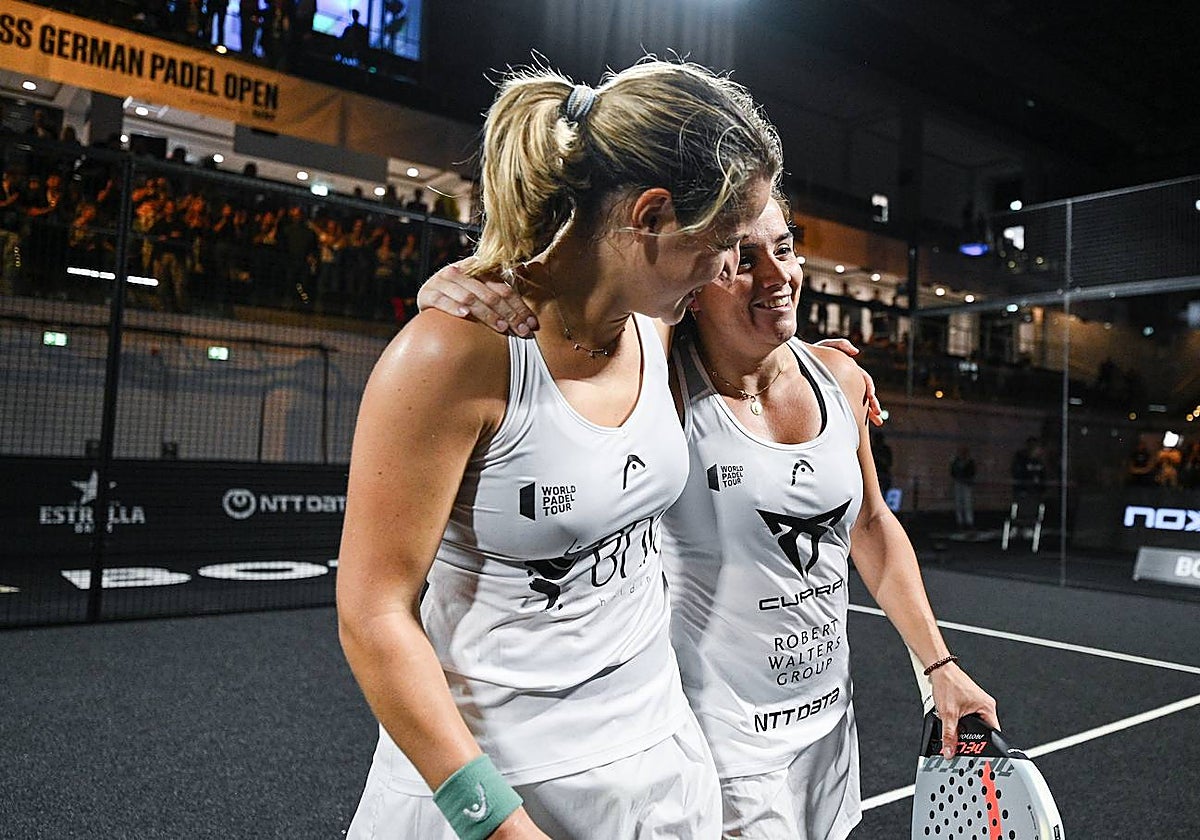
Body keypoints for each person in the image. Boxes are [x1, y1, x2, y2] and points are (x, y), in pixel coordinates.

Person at [420, 196, 997, 839]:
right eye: (740, 262)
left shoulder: (838, 377)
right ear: (694, 283)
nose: (776, 277)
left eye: (783, 249)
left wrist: (939, 667)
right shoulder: (657, 383)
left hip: (831, 732)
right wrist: (470, 285)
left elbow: (868, 526)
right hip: (720, 744)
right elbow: (574, 323)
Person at [337, 58, 784, 840]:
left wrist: (835, 364)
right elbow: (372, 615)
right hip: (496, 790)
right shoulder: (449, 357)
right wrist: (495, 824)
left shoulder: (663, 318)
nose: (728, 270)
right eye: (723, 242)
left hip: (657, 768)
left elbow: (774, 340)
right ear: (649, 217)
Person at [949, 445, 976, 529]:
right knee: (959, 503)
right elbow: (952, 471)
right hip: (959, 483)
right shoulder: (957, 461)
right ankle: (961, 521)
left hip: (966, 484)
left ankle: (968, 521)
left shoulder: (969, 462)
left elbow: (972, 472)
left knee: (967, 503)